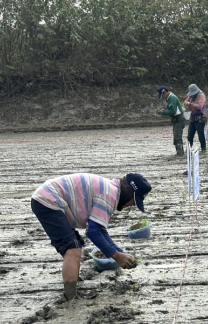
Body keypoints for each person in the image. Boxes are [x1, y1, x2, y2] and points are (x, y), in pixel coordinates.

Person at [31, 173, 152, 301]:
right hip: (48, 201)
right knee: (72, 249)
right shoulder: (109, 194)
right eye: (135, 200)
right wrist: (116, 256)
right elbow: (93, 232)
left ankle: (73, 281)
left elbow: (99, 229)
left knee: (75, 244)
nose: (133, 205)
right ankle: (70, 298)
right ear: (129, 192)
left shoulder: (111, 190)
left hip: (49, 198)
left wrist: (119, 252)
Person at [156, 86, 186, 156]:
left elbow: (173, 111)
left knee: (177, 137)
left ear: (165, 92)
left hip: (179, 119)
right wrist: (163, 111)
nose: (162, 97)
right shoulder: (169, 98)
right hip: (176, 119)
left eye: (162, 95)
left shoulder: (172, 98)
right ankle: (179, 152)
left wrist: (162, 113)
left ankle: (180, 153)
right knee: (176, 137)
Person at [184, 84, 207, 152]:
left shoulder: (201, 96)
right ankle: (188, 150)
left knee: (201, 136)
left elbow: (200, 106)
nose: (191, 95)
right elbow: (185, 101)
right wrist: (186, 104)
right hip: (192, 118)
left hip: (199, 119)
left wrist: (190, 104)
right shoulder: (190, 96)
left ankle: (203, 149)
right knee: (190, 136)